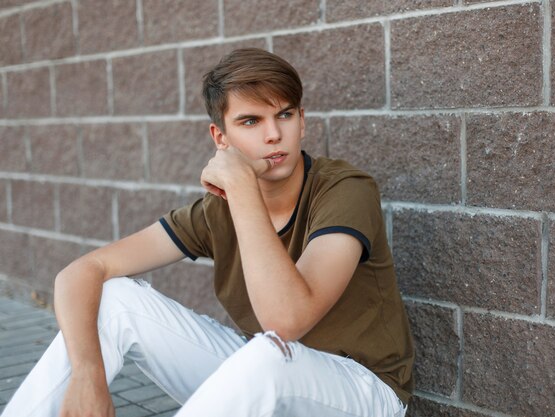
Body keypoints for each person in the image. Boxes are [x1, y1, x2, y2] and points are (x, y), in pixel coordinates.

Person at [1, 48, 414, 417]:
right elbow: (81, 272)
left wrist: (241, 188)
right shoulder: (215, 212)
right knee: (115, 298)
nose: (273, 134)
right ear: (221, 138)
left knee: (267, 354)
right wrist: (88, 376)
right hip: (266, 376)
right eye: (251, 120)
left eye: (285, 114)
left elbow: (286, 320)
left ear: (302, 122)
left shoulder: (345, 189)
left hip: (361, 392)